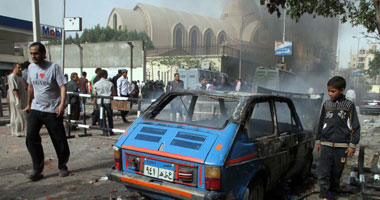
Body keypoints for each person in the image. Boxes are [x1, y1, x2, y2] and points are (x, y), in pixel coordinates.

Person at [23, 42, 70, 181]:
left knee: (59, 139)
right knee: (30, 137)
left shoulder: (53, 67)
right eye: (31, 53)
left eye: (36, 53)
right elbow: (30, 87)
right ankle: (37, 169)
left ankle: (63, 166)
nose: (34, 56)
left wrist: (62, 104)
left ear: (44, 54)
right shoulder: (31, 68)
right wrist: (28, 104)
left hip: (52, 110)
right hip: (36, 108)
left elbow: (62, 86)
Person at [316, 76, 360, 200]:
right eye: (328, 91)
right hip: (326, 144)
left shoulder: (348, 105)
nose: (330, 94)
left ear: (342, 90)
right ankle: (324, 195)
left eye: (333, 91)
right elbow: (321, 123)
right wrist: (318, 140)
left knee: (336, 173)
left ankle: (333, 193)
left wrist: (352, 145)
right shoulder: (326, 104)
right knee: (324, 173)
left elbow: (355, 126)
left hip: (342, 146)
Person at [93, 70, 114, 136]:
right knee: (110, 116)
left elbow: (95, 95)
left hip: (100, 102)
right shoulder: (110, 83)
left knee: (102, 117)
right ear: (105, 75)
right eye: (107, 74)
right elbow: (113, 93)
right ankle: (111, 130)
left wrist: (95, 104)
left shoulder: (96, 84)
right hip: (108, 101)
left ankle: (104, 131)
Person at [8, 63, 27, 137]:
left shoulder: (18, 77)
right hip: (17, 99)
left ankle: (18, 130)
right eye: (18, 68)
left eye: (20, 68)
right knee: (19, 116)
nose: (20, 69)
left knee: (19, 116)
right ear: (14, 68)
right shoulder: (12, 77)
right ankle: (19, 131)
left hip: (20, 98)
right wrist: (18, 99)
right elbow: (14, 89)